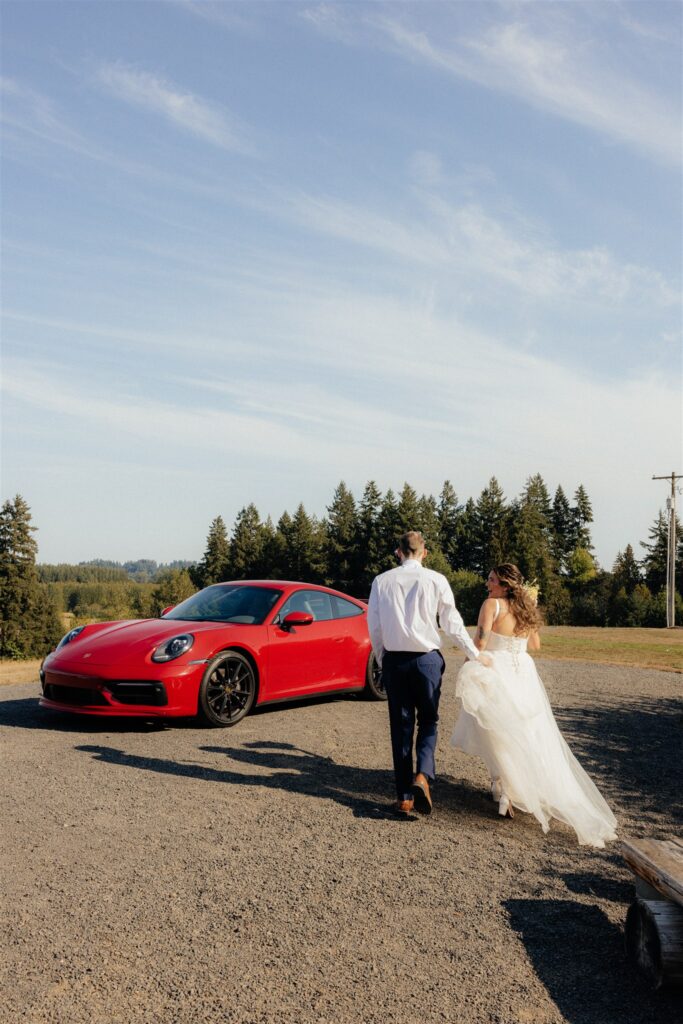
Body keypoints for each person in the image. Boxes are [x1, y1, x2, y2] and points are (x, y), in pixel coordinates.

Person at [451, 563, 617, 848]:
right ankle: (504, 789)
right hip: (524, 673)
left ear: (504, 585)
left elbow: (480, 639)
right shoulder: (526, 609)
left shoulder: (491, 605)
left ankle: (506, 791)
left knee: (499, 731)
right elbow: (535, 645)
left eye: (492, 580)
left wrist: (467, 664)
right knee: (524, 732)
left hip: (499, 670)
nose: (487, 584)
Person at [367, 531, 489, 817]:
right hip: (427, 662)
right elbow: (452, 623)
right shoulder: (436, 580)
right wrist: (474, 654)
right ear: (424, 553)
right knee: (429, 721)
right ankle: (423, 775)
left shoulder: (381, 581)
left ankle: (404, 797)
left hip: (396, 661)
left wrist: (383, 658)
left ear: (398, 552)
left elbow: (374, 626)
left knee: (401, 727)